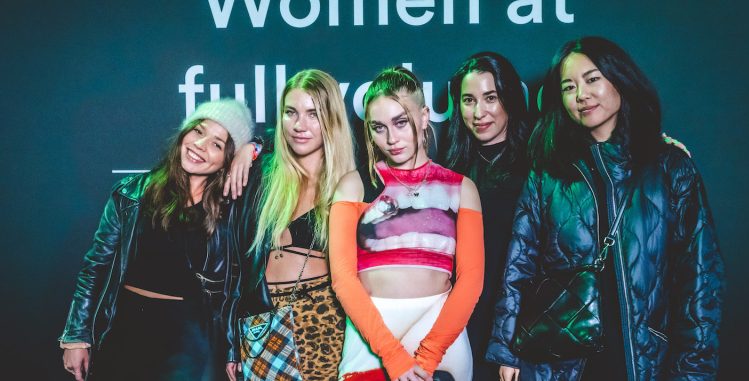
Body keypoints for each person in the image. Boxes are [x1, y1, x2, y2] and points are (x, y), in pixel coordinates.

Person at [486, 36, 723, 381]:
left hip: (644, 360)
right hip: (559, 358)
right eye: (569, 87)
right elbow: (519, 264)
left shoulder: (670, 167)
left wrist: (693, 372)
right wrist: (506, 349)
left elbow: (701, 279)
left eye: (592, 78)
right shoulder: (547, 172)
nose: (581, 94)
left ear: (620, 78)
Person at [59, 99, 254, 381]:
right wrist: (76, 337)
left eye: (217, 144)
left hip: (188, 341)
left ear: (228, 159)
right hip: (124, 329)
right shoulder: (131, 194)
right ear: (184, 134)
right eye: (198, 131)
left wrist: (253, 147)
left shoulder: (231, 208)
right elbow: (95, 266)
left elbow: (291, 143)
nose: (200, 145)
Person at [330, 67, 484, 381]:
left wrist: (428, 356)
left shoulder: (461, 188)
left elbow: (471, 280)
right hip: (369, 333)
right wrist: (392, 356)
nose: (391, 138)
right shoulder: (354, 185)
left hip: (441, 331)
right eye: (379, 127)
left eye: (401, 122)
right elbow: (343, 278)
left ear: (425, 116)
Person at [229, 69, 355, 381]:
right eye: (291, 112)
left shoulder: (349, 183)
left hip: (323, 324)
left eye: (314, 114)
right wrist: (253, 145)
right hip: (262, 322)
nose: (300, 125)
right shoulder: (263, 175)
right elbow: (234, 267)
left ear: (332, 119)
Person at [438, 52, 531, 380]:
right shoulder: (449, 169)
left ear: (509, 97)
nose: (479, 112)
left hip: (517, 329)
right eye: (468, 100)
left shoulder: (538, 166)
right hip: (462, 328)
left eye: (490, 98)